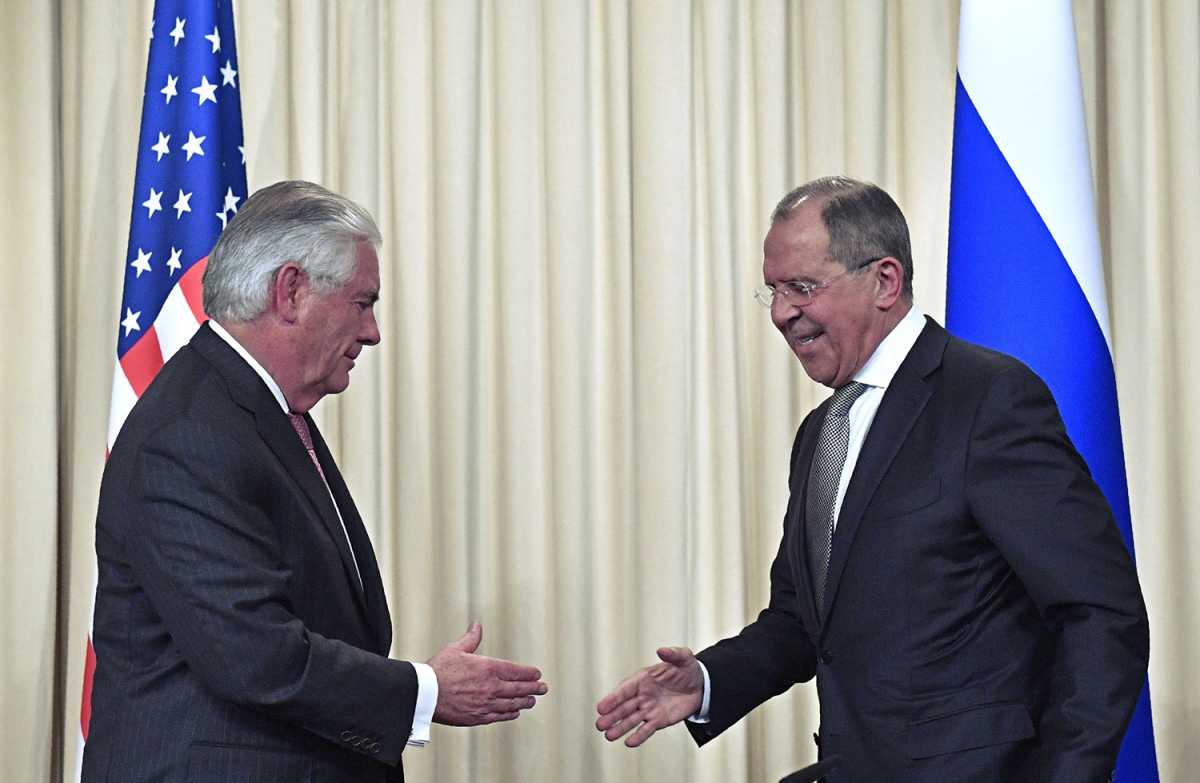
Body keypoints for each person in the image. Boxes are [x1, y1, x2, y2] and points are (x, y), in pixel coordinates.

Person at [595, 176, 1149, 780]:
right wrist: (706, 682)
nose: (782, 313)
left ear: (884, 280)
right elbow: (802, 622)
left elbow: (1099, 612)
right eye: (773, 291)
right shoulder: (821, 432)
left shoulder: (987, 399)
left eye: (802, 287)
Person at [82, 181, 547, 783]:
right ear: (292, 291)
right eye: (362, 302)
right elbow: (253, 655)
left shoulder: (260, 411)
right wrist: (424, 691)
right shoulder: (190, 432)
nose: (373, 331)